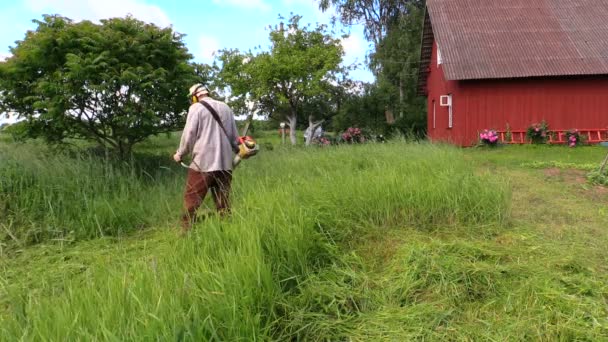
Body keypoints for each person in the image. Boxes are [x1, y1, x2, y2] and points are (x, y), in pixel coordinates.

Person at [173, 84, 239, 231]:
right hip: (225, 164)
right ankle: (227, 229)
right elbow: (235, 137)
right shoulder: (226, 107)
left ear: (195, 96)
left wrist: (180, 153)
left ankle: (186, 232)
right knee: (223, 201)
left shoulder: (195, 108)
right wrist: (238, 150)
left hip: (203, 164)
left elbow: (189, 135)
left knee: (192, 200)